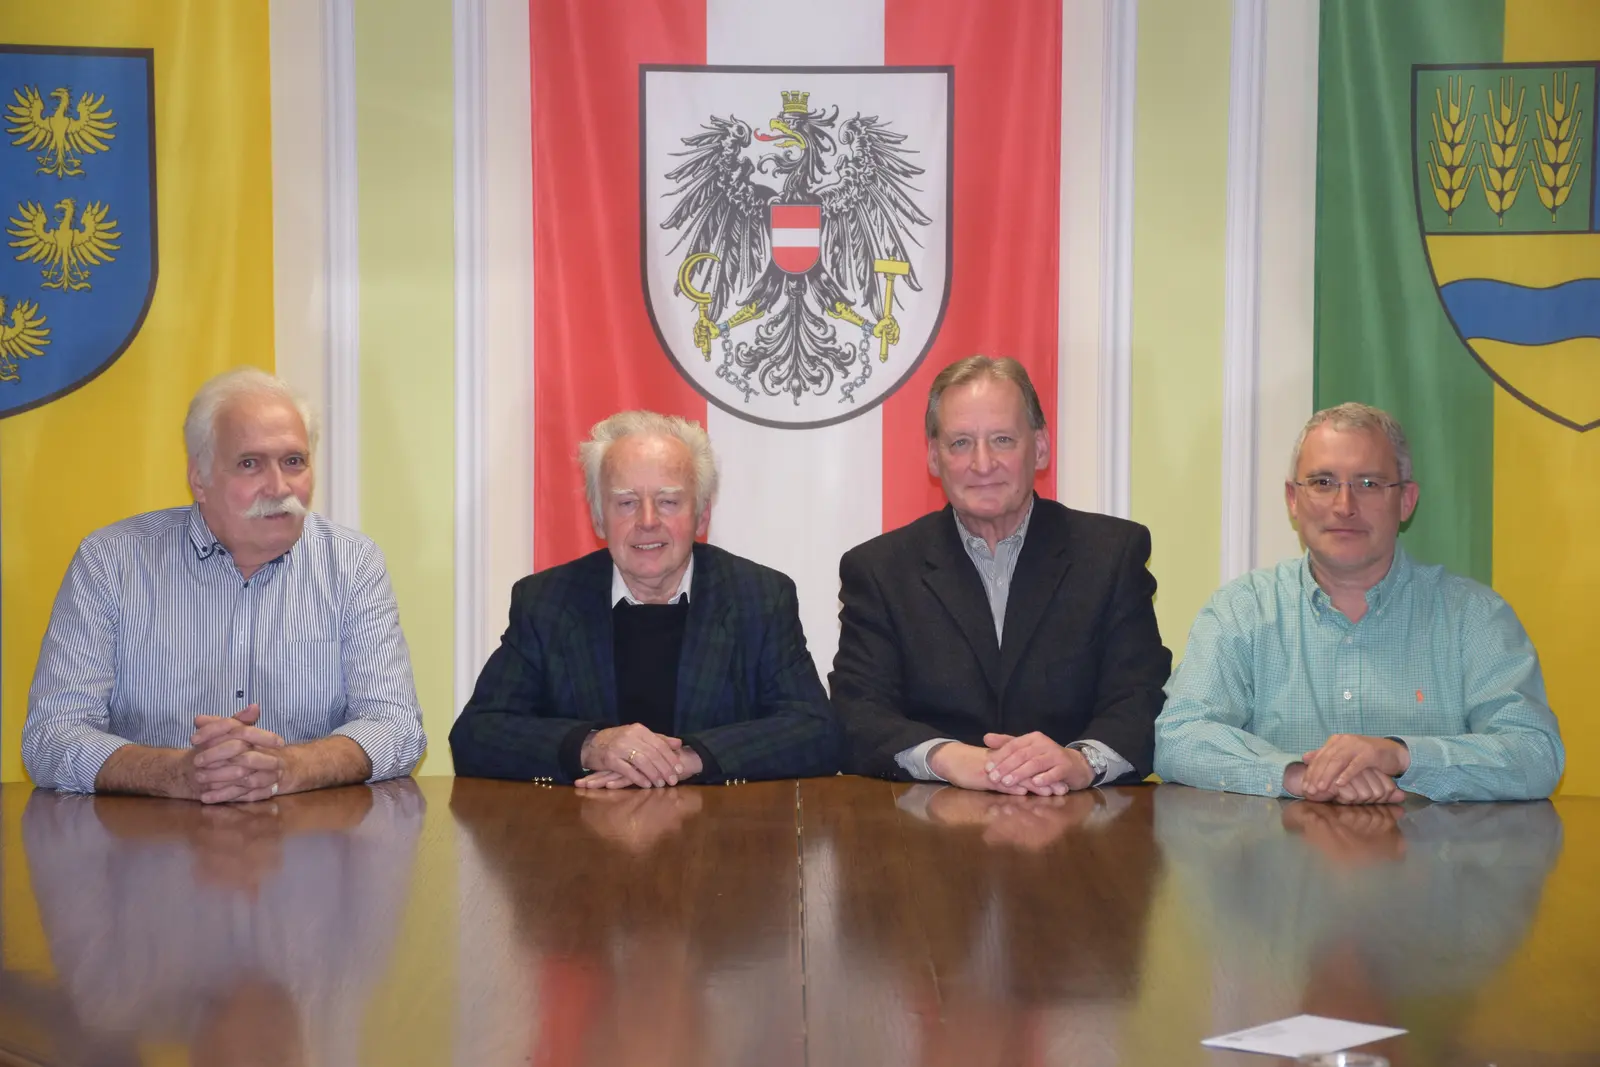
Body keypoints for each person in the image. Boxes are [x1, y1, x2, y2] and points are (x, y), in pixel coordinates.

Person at [23, 368, 426, 802]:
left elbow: (396, 726)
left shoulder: (352, 563)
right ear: (199, 479)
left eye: (294, 461)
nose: (279, 487)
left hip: (305, 833)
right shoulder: (111, 562)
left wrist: (290, 767)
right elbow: (52, 736)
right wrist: (177, 773)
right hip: (152, 835)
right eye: (250, 464)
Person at [1154, 402, 1564, 803]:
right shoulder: (1240, 611)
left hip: (1431, 849)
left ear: (1406, 500)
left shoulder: (1474, 617)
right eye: (1323, 482)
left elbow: (1536, 754)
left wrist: (1401, 756)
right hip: (1280, 849)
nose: (1344, 507)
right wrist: (1299, 776)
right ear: (1293, 499)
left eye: (1368, 484)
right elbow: (1179, 737)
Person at [831, 355, 1172, 793]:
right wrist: (947, 758)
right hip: (929, 817)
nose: (982, 463)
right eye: (960, 443)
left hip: (1079, 812)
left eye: (1002, 440)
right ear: (933, 457)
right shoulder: (879, 570)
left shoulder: (1111, 555)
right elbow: (857, 712)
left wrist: (1081, 761)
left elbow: (1141, 695)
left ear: (1041, 447)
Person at [450, 410, 838, 786]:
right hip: (583, 825)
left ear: (702, 515)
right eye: (626, 502)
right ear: (598, 517)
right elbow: (476, 734)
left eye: (668, 501)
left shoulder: (759, 598)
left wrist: (689, 759)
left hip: (719, 826)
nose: (648, 520)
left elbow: (815, 732)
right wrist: (592, 746)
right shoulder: (547, 601)